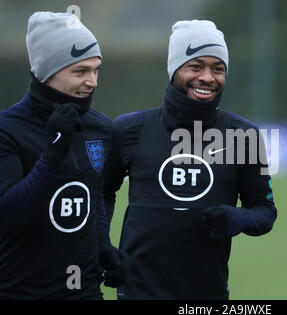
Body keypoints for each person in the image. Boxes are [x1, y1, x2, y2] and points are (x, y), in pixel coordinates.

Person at [104, 19, 277, 300]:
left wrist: (238, 218)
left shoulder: (243, 135)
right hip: (138, 292)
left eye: (218, 69)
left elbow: (265, 212)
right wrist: (103, 246)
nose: (208, 77)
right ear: (174, 70)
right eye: (195, 66)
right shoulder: (129, 130)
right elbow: (102, 194)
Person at [0, 11, 126, 299]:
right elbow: (8, 217)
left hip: (84, 291)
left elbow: (94, 195)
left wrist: (103, 246)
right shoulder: (7, 130)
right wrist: (54, 152)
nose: (92, 81)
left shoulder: (101, 127)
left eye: (96, 70)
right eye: (80, 71)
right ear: (46, 72)